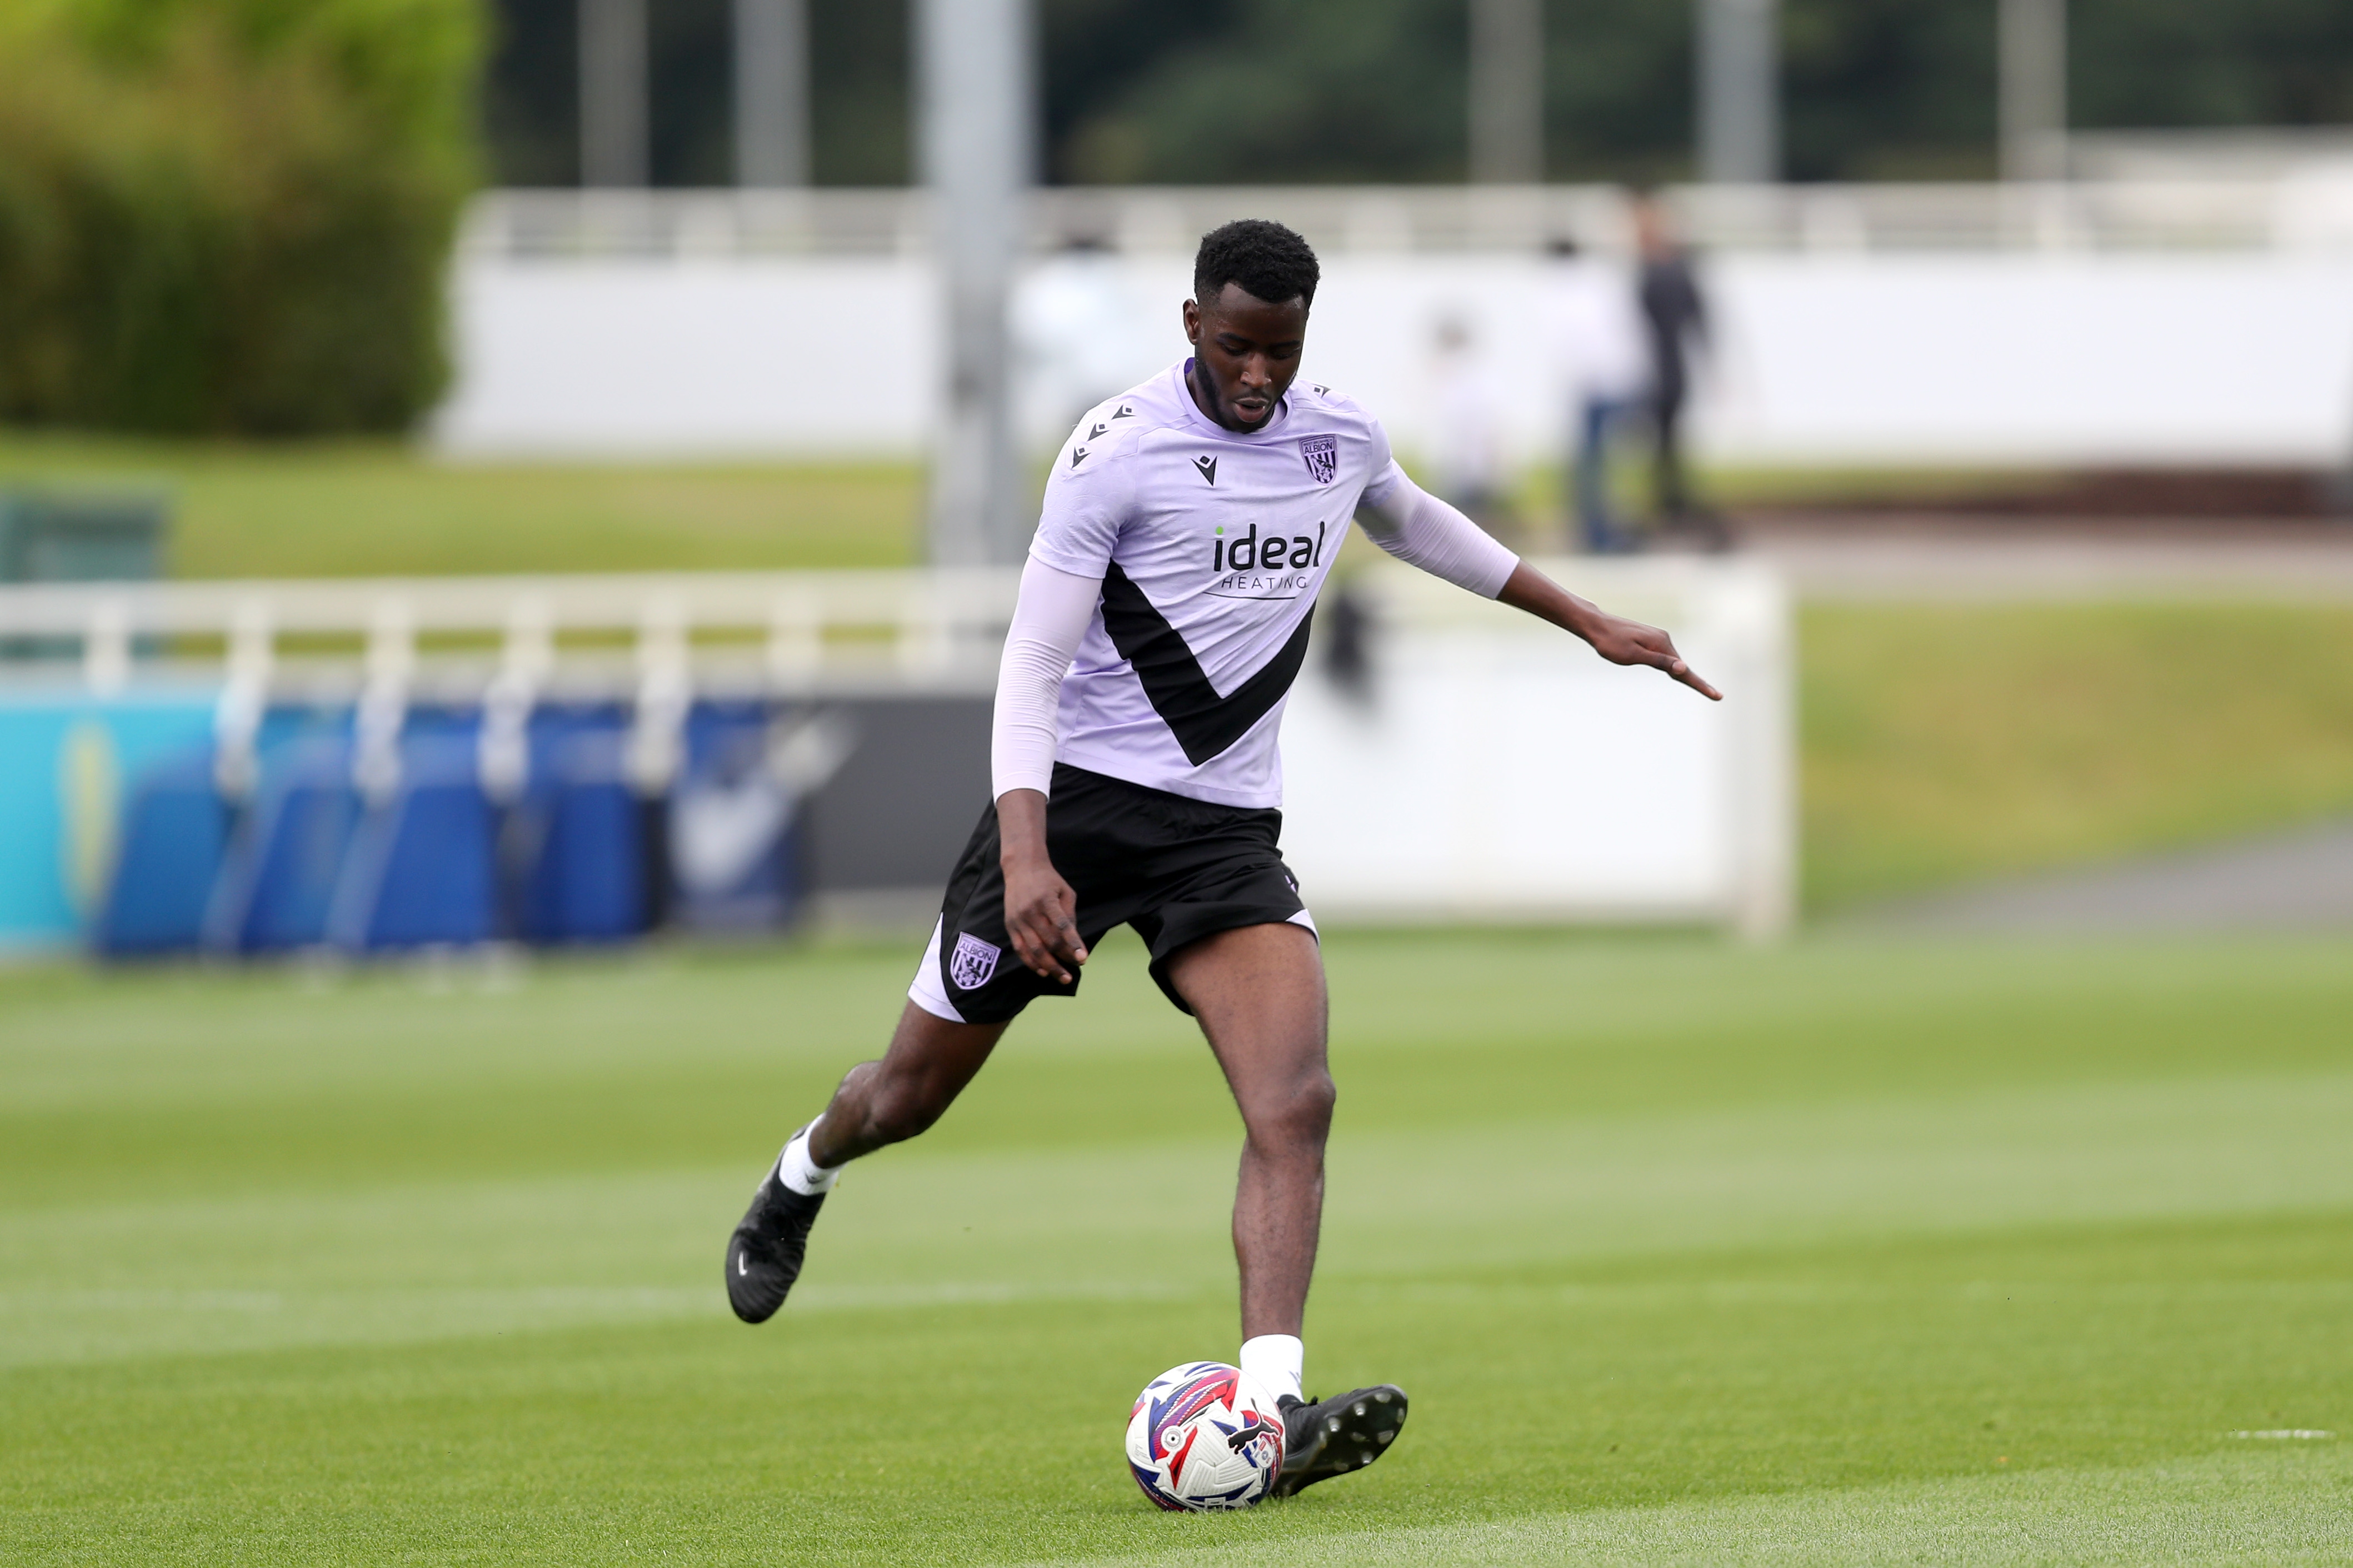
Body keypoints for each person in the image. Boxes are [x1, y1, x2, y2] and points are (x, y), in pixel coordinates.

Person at [723, 220, 1720, 1498]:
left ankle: (1271, 1409)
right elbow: (1030, 664)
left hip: (1219, 837)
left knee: (1294, 1099)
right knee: (906, 1096)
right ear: (1193, 322)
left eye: (1282, 351)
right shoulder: (1115, 453)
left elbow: (1418, 525)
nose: (1259, 375)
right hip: (1070, 818)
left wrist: (1587, 618)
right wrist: (1026, 858)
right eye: (1238, 346)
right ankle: (802, 1171)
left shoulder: (1336, 434)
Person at [1543, 237, 1650, 554]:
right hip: (1616, 383)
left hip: (1594, 387)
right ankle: (1607, 532)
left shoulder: (1560, 291)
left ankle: (1599, 535)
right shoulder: (1598, 283)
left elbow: (1569, 346)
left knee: (1590, 466)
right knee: (1609, 464)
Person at [1631, 195, 1726, 547]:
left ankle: (1672, 513)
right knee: (1666, 449)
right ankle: (1672, 509)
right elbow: (1701, 323)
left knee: (1664, 449)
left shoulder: (1656, 273)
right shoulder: (1678, 272)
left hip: (1658, 373)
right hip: (1672, 371)